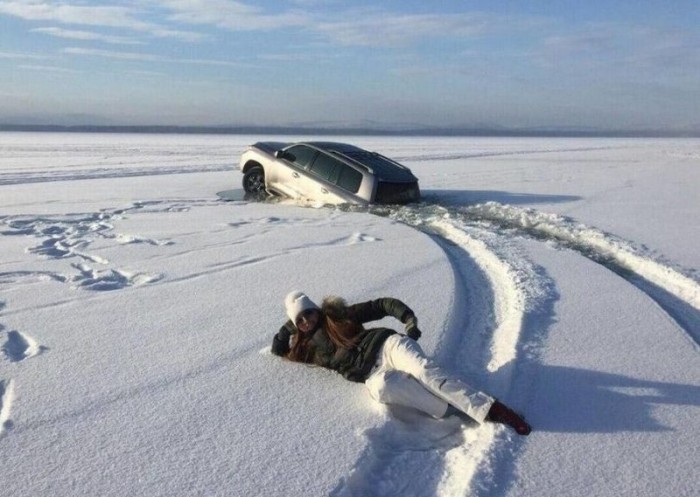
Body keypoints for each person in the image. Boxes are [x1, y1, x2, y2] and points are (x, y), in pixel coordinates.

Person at [271, 291, 531, 435]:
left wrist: (408, 319)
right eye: (300, 320)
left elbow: (381, 305)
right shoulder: (308, 349)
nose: (306, 321)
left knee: (425, 371)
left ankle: (493, 410)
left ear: (316, 309)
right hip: (371, 375)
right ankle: (453, 411)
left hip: (387, 346)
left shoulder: (338, 315)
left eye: (308, 313)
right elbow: (277, 349)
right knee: (385, 389)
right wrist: (287, 326)